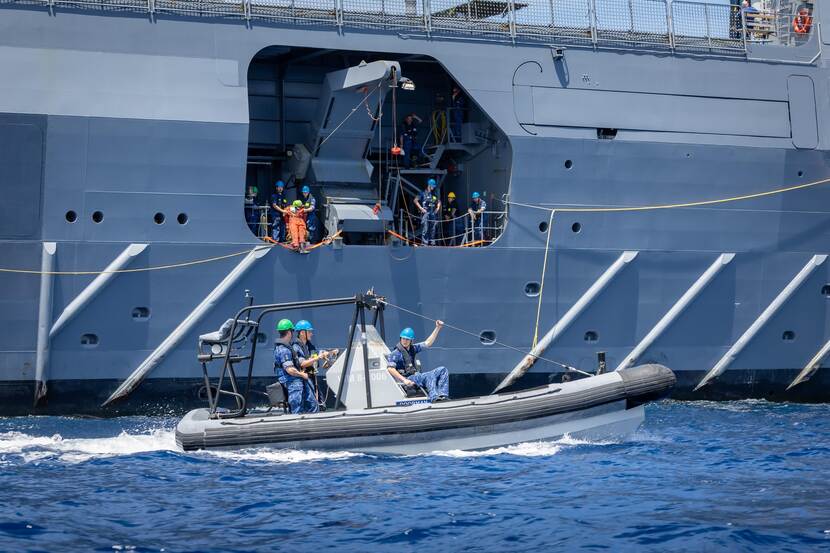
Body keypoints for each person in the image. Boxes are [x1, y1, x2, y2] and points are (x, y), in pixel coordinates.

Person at [386, 322, 449, 402]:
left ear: (411, 340)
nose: (404, 341)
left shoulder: (413, 348)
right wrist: (404, 380)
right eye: (403, 338)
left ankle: (443, 395)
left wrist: (437, 328)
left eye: (407, 339)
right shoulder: (396, 353)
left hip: (416, 375)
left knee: (442, 370)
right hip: (409, 377)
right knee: (428, 376)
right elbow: (390, 369)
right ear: (400, 338)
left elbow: (427, 343)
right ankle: (434, 398)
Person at [292, 320, 339, 413]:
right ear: (302, 333)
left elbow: (315, 356)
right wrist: (318, 357)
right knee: (312, 405)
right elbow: (302, 364)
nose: (311, 334)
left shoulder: (309, 346)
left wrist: (329, 353)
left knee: (321, 404)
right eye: (309, 331)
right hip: (304, 380)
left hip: (312, 378)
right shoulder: (296, 347)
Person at [273, 319, 316, 414]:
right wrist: (302, 374)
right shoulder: (284, 349)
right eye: (292, 331)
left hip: (294, 383)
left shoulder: (283, 347)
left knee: (307, 406)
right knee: (297, 409)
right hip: (292, 383)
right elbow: (289, 370)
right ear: (289, 332)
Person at [414, 178, 441, 245]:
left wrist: (437, 208)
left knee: (433, 228)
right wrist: (421, 209)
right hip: (425, 214)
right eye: (433, 186)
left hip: (432, 214)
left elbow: (439, 201)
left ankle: (432, 242)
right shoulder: (422, 193)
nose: (433, 187)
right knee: (425, 229)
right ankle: (425, 243)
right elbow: (415, 200)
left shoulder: (434, 194)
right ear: (429, 185)